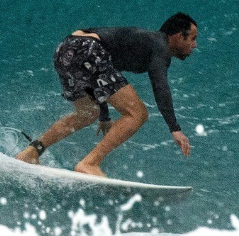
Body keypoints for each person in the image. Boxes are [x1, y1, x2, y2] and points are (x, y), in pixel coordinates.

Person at [14, 12, 198, 176]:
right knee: (138, 114)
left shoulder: (143, 43)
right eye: (192, 39)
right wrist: (175, 128)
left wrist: (103, 114)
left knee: (87, 114)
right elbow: (160, 86)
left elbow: (100, 77)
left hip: (66, 48)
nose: (194, 45)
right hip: (88, 48)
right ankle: (89, 163)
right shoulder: (160, 46)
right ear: (177, 36)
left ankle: (31, 153)